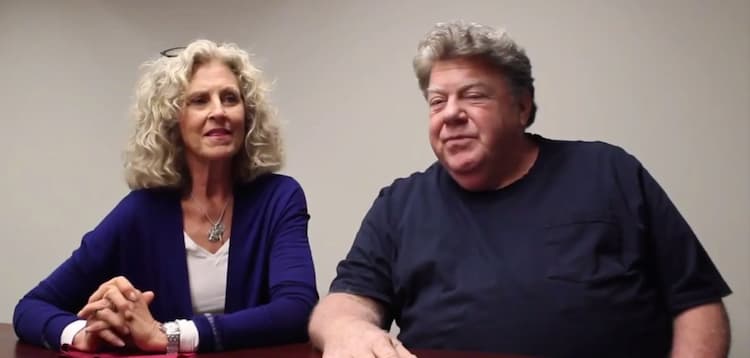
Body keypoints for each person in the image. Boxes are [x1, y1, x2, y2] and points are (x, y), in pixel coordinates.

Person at [308, 21, 732, 358]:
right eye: (437, 102)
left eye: (472, 96)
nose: (450, 114)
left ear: (522, 107)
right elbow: (342, 306)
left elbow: (697, 303)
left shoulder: (609, 171)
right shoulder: (399, 205)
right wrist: (346, 329)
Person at [13, 39, 318, 354]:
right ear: (172, 121)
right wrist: (84, 333)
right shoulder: (140, 211)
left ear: (248, 115)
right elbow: (30, 308)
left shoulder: (279, 197)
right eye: (199, 100)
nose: (219, 111)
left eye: (230, 98)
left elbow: (296, 310)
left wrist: (169, 335)